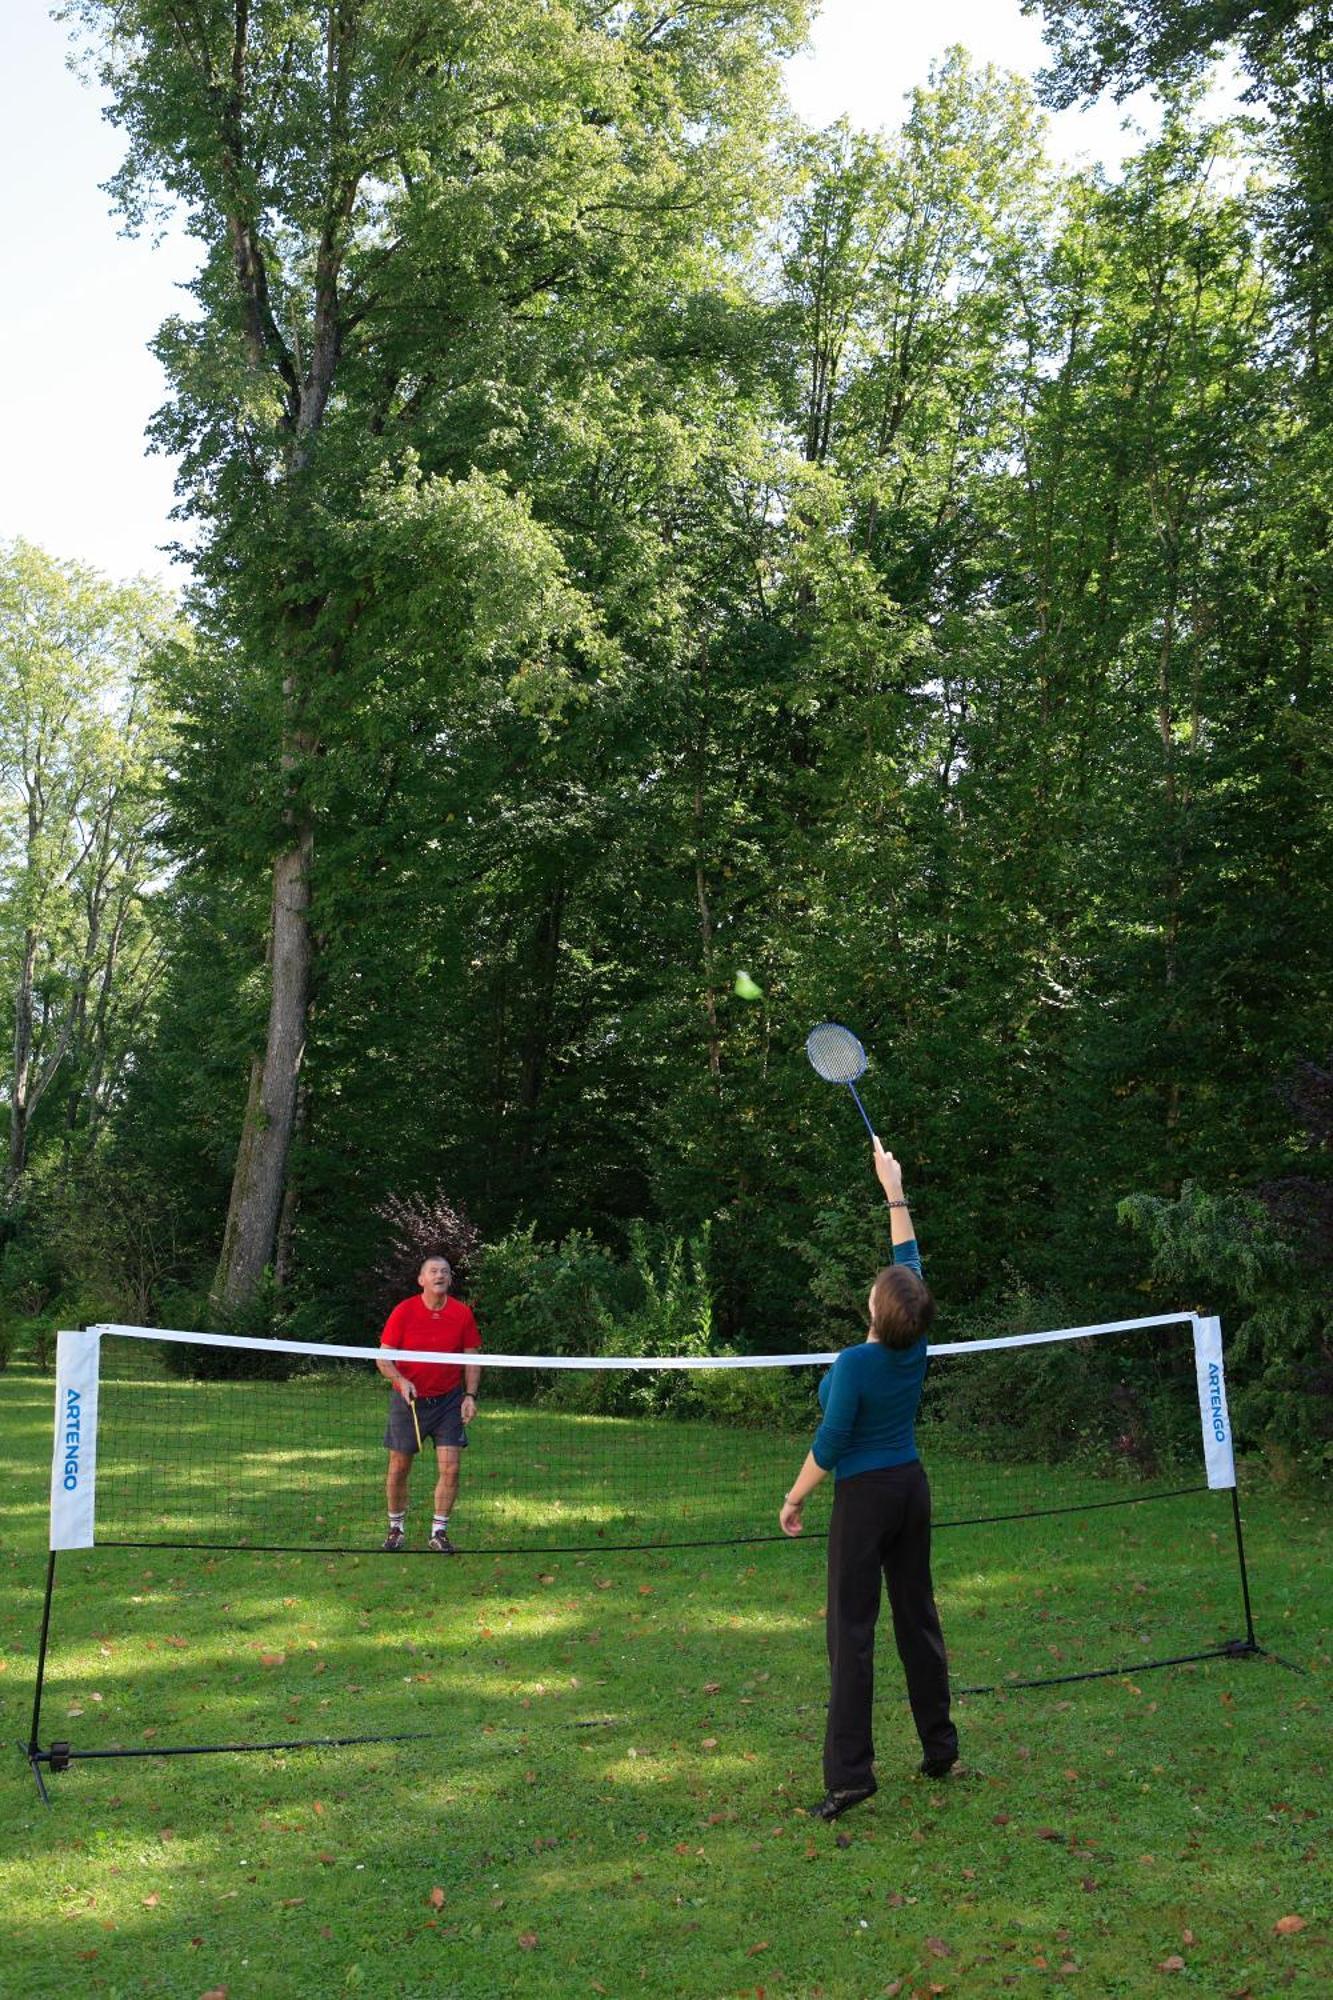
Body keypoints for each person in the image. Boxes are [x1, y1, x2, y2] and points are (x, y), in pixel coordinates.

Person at [780, 1136, 958, 1820]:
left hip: (864, 1498)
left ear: (876, 1310)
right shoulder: (916, 1342)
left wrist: (793, 1499)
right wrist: (894, 1190)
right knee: (917, 1616)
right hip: (910, 1489)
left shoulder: (855, 1363)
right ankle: (938, 1746)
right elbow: (908, 1262)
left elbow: (828, 1445)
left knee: (851, 1634)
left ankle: (850, 1776)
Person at [377, 1254, 482, 1555]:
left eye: (445, 1272)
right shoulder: (404, 1311)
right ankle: (396, 1529)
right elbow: (383, 1358)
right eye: (433, 1271)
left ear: (450, 1280)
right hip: (408, 1400)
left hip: (449, 1401)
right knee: (398, 1468)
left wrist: (470, 1395)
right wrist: (401, 1381)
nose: (440, 1275)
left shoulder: (462, 1314)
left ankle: (439, 1532)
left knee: (451, 1468)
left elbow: (472, 1358)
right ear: (421, 1279)